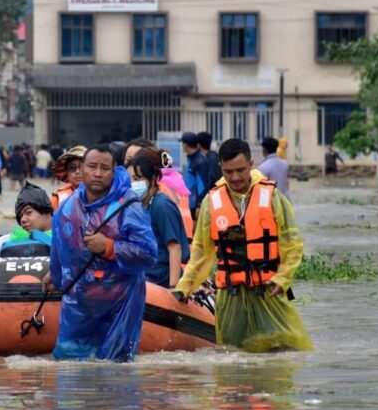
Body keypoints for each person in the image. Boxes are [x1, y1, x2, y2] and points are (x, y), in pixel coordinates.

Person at [174, 138, 312, 353]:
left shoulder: (272, 196)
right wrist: (184, 287)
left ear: (251, 164)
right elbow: (201, 252)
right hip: (231, 295)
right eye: (228, 172)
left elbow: (292, 244)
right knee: (232, 354)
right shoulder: (212, 202)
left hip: (269, 290)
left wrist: (283, 277)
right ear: (221, 168)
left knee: (284, 350)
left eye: (240, 170)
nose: (235, 177)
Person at [47, 144, 157, 363]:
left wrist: (109, 247)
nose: (97, 173)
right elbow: (58, 254)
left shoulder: (129, 207)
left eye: (104, 168)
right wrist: (54, 276)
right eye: (91, 166)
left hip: (119, 305)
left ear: (115, 170)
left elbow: (148, 253)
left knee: (115, 374)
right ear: (82, 169)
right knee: (69, 374)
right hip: (78, 306)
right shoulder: (66, 209)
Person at [127, 148, 189, 288]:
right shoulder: (140, 205)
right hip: (145, 281)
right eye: (130, 179)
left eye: (138, 179)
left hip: (161, 283)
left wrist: (174, 288)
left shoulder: (161, 205)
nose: (133, 184)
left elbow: (174, 247)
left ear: (153, 179)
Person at [125, 142, 195, 246]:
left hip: (173, 256)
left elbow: (172, 245)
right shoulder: (175, 183)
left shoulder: (157, 193)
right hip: (187, 251)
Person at [0, 182, 54, 257]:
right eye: (20, 216)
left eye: (28, 212)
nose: (22, 220)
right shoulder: (14, 240)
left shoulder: (67, 237)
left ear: (46, 212)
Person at [180, 132, 211, 217]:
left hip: (194, 206)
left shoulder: (199, 161)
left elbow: (203, 186)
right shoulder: (191, 159)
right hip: (188, 203)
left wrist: (199, 204)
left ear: (185, 145)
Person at [50, 145, 86, 211]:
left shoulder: (101, 196)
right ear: (66, 173)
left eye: (82, 167)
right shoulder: (57, 198)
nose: (77, 171)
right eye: (72, 168)